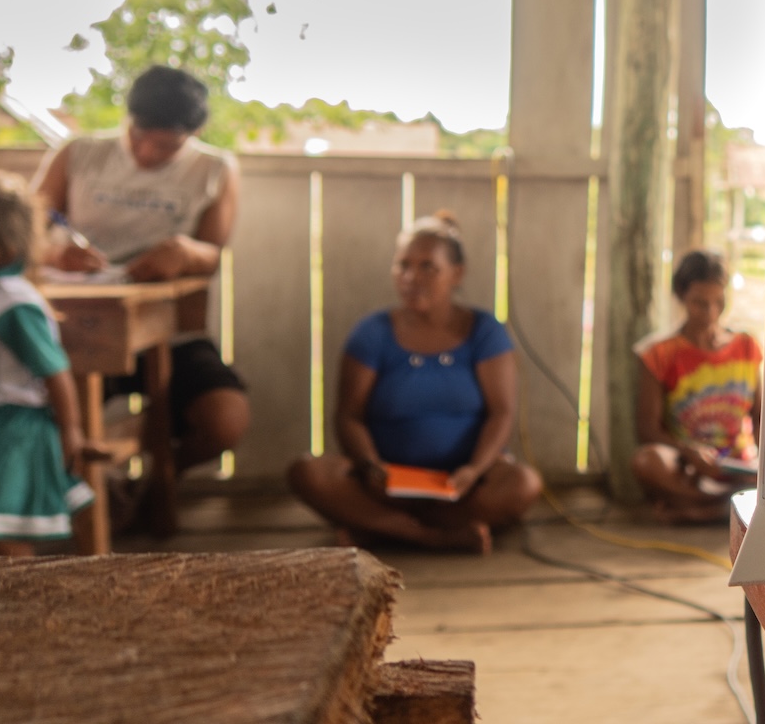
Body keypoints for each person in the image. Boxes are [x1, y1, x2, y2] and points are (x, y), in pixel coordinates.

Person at [32, 65, 248, 477]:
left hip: (168, 330)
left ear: (193, 133)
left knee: (225, 420)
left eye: (165, 146)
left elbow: (213, 256)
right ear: (127, 118)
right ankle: (90, 498)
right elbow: (22, 235)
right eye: (139, 137)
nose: (148, 153)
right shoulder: (78, 153)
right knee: (60, 419)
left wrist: (185, 252)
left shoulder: (215, 169)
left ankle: (151, 485)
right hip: (82, 328)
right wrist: (54, 254)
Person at [287, 212, 542, 553]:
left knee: (523, 484)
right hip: (386, 487)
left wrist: (473, 469)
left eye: (428, 267)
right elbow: (348, 416)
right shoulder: (372, 333)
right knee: (308, 472)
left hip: (462, 487)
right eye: (402, 266)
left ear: (457, 274)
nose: (411, 277)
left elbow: (502, 413)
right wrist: (371, 466)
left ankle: (379, 529)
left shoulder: (484, 332)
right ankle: (432, 537)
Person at [0, 169, 101, 554]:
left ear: (3, 249)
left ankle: (26, 605)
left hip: (8, 429)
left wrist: (70, 430)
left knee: (2, 532)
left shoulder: (10, 302)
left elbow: (54, 371)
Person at [632, 250, 762, 523]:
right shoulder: (659, 353)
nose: (711, 312)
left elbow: (761, 418)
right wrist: (687, 450)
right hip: (689, 468)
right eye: (700, 303)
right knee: (648, 461)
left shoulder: (746, 346)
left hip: (739, 465)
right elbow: (647, 429)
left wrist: (762, 466)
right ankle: (723, 509)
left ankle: (699, 510)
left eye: (718, 301)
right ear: (681, 298)